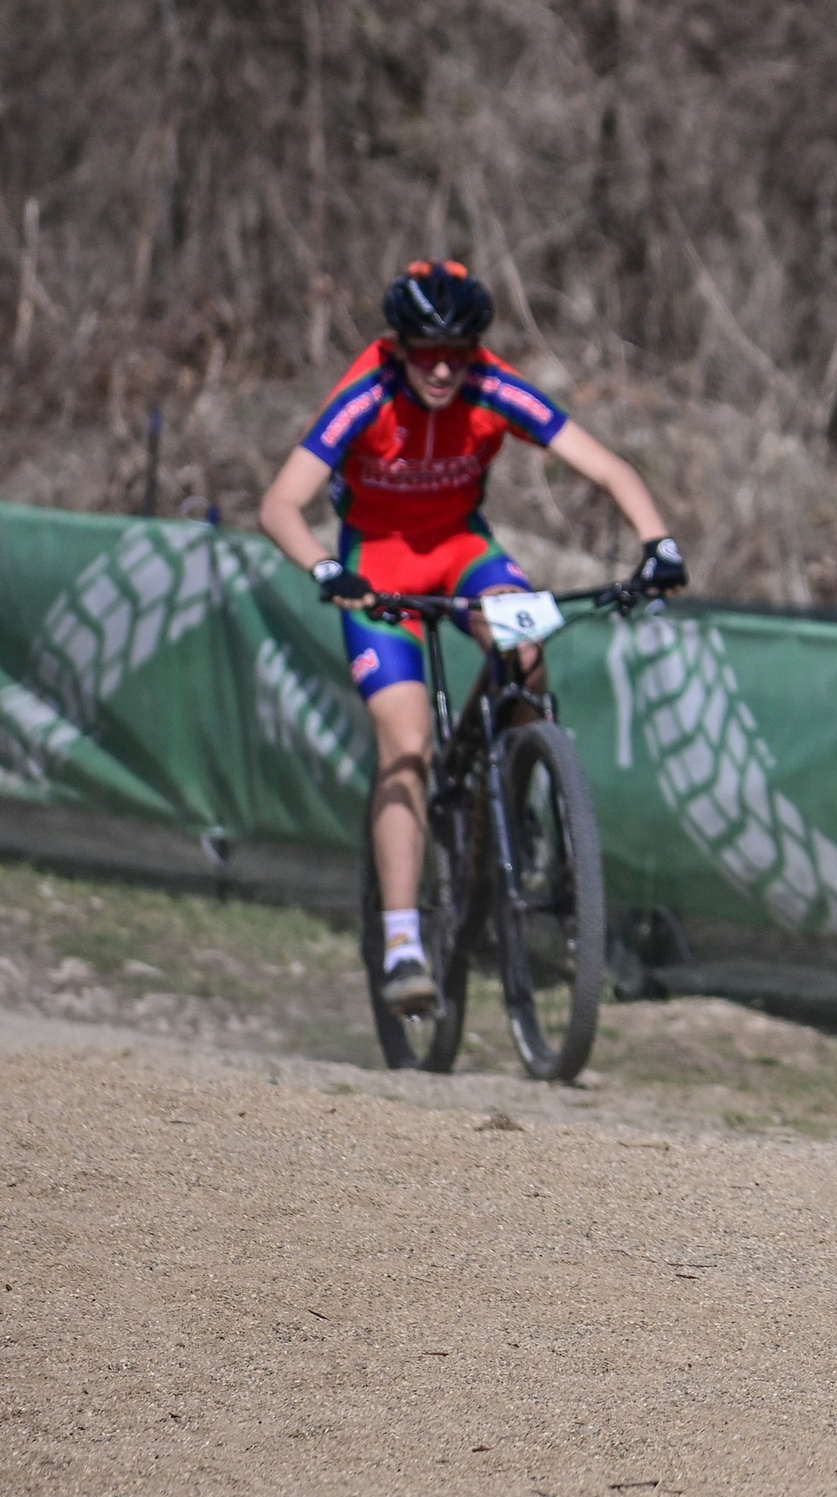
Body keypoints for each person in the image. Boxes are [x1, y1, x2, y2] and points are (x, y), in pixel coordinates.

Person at [258, 260, 687, 1014]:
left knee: (526, 650)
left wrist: (658, 545)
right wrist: (327, 568)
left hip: (463, 550)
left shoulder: (492, 384)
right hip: (376, 566)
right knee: (409, 741)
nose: (444, 369)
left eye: (459, 352)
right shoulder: (368, 391)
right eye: (428, 352)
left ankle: (522, 777)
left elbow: (607, 468)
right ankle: (401, 945)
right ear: (400, 346)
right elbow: (280, 505)